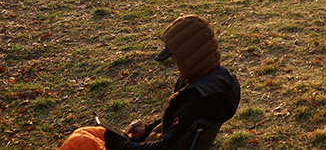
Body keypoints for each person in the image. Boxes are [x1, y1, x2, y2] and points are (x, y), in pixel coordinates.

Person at [59, 14, 242, 150]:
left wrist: (120, 145)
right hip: (154, 140)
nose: (175, 65)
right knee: (87, 134)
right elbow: (178, 125)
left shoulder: (198, 98)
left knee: (78, 143)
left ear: (188, 56)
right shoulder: (218, 81)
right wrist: (146, 130)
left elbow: (166, 147)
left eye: (176, 58)